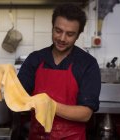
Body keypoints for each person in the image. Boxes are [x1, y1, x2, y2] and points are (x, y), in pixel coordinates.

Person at [17, 3, 101, 140]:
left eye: (70, 34)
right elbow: (20, 98)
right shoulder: (35, 59)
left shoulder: (87, 64)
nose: (62, 38)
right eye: (58, 31)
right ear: (52, 28)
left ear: (78, 35)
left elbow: (85, 113)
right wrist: (7, 87)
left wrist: (49, 105)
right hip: (37, 136)